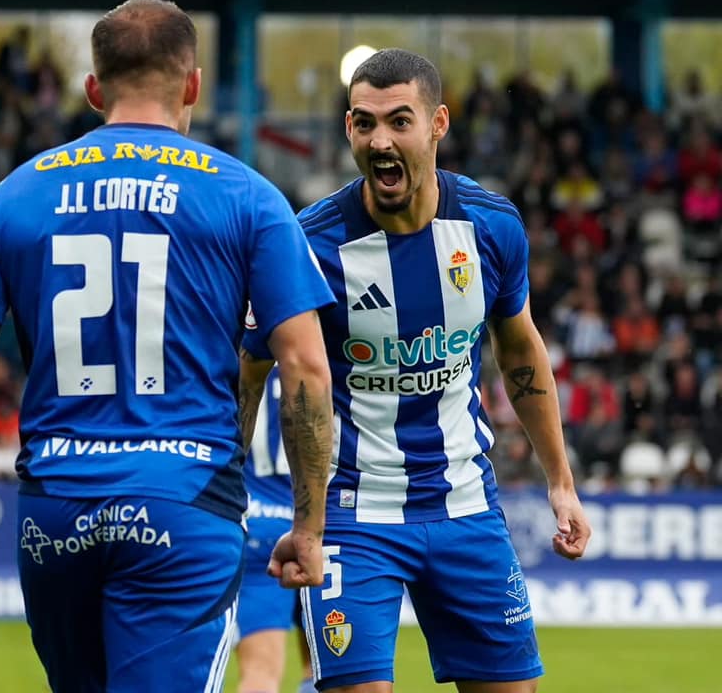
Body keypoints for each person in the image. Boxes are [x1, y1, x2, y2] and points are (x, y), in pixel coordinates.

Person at [0, 0, 335, 693]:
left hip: (56, 509)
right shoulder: (249, 197)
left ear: (93, 90)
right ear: (193, 85)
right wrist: (308, 526)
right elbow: (307, 371)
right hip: (183, 502)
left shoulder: (9, 199)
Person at [241, 49, 592, 693]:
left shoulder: (490, 226)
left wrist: (560, 482)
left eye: (399, 121)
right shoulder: (309, 245)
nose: (381, 140)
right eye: (364, 123)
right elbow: (253, 366)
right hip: (353, 514)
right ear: (348, 129)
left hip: (466, 505)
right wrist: (230, 491)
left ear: (438, 124)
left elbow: (519, 351)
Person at [236, 366, 315, 693]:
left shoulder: (237, 356)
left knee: (261, 673)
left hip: (257, 523)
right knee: (326, 669)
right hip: (318, 525)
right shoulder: (315, 354)